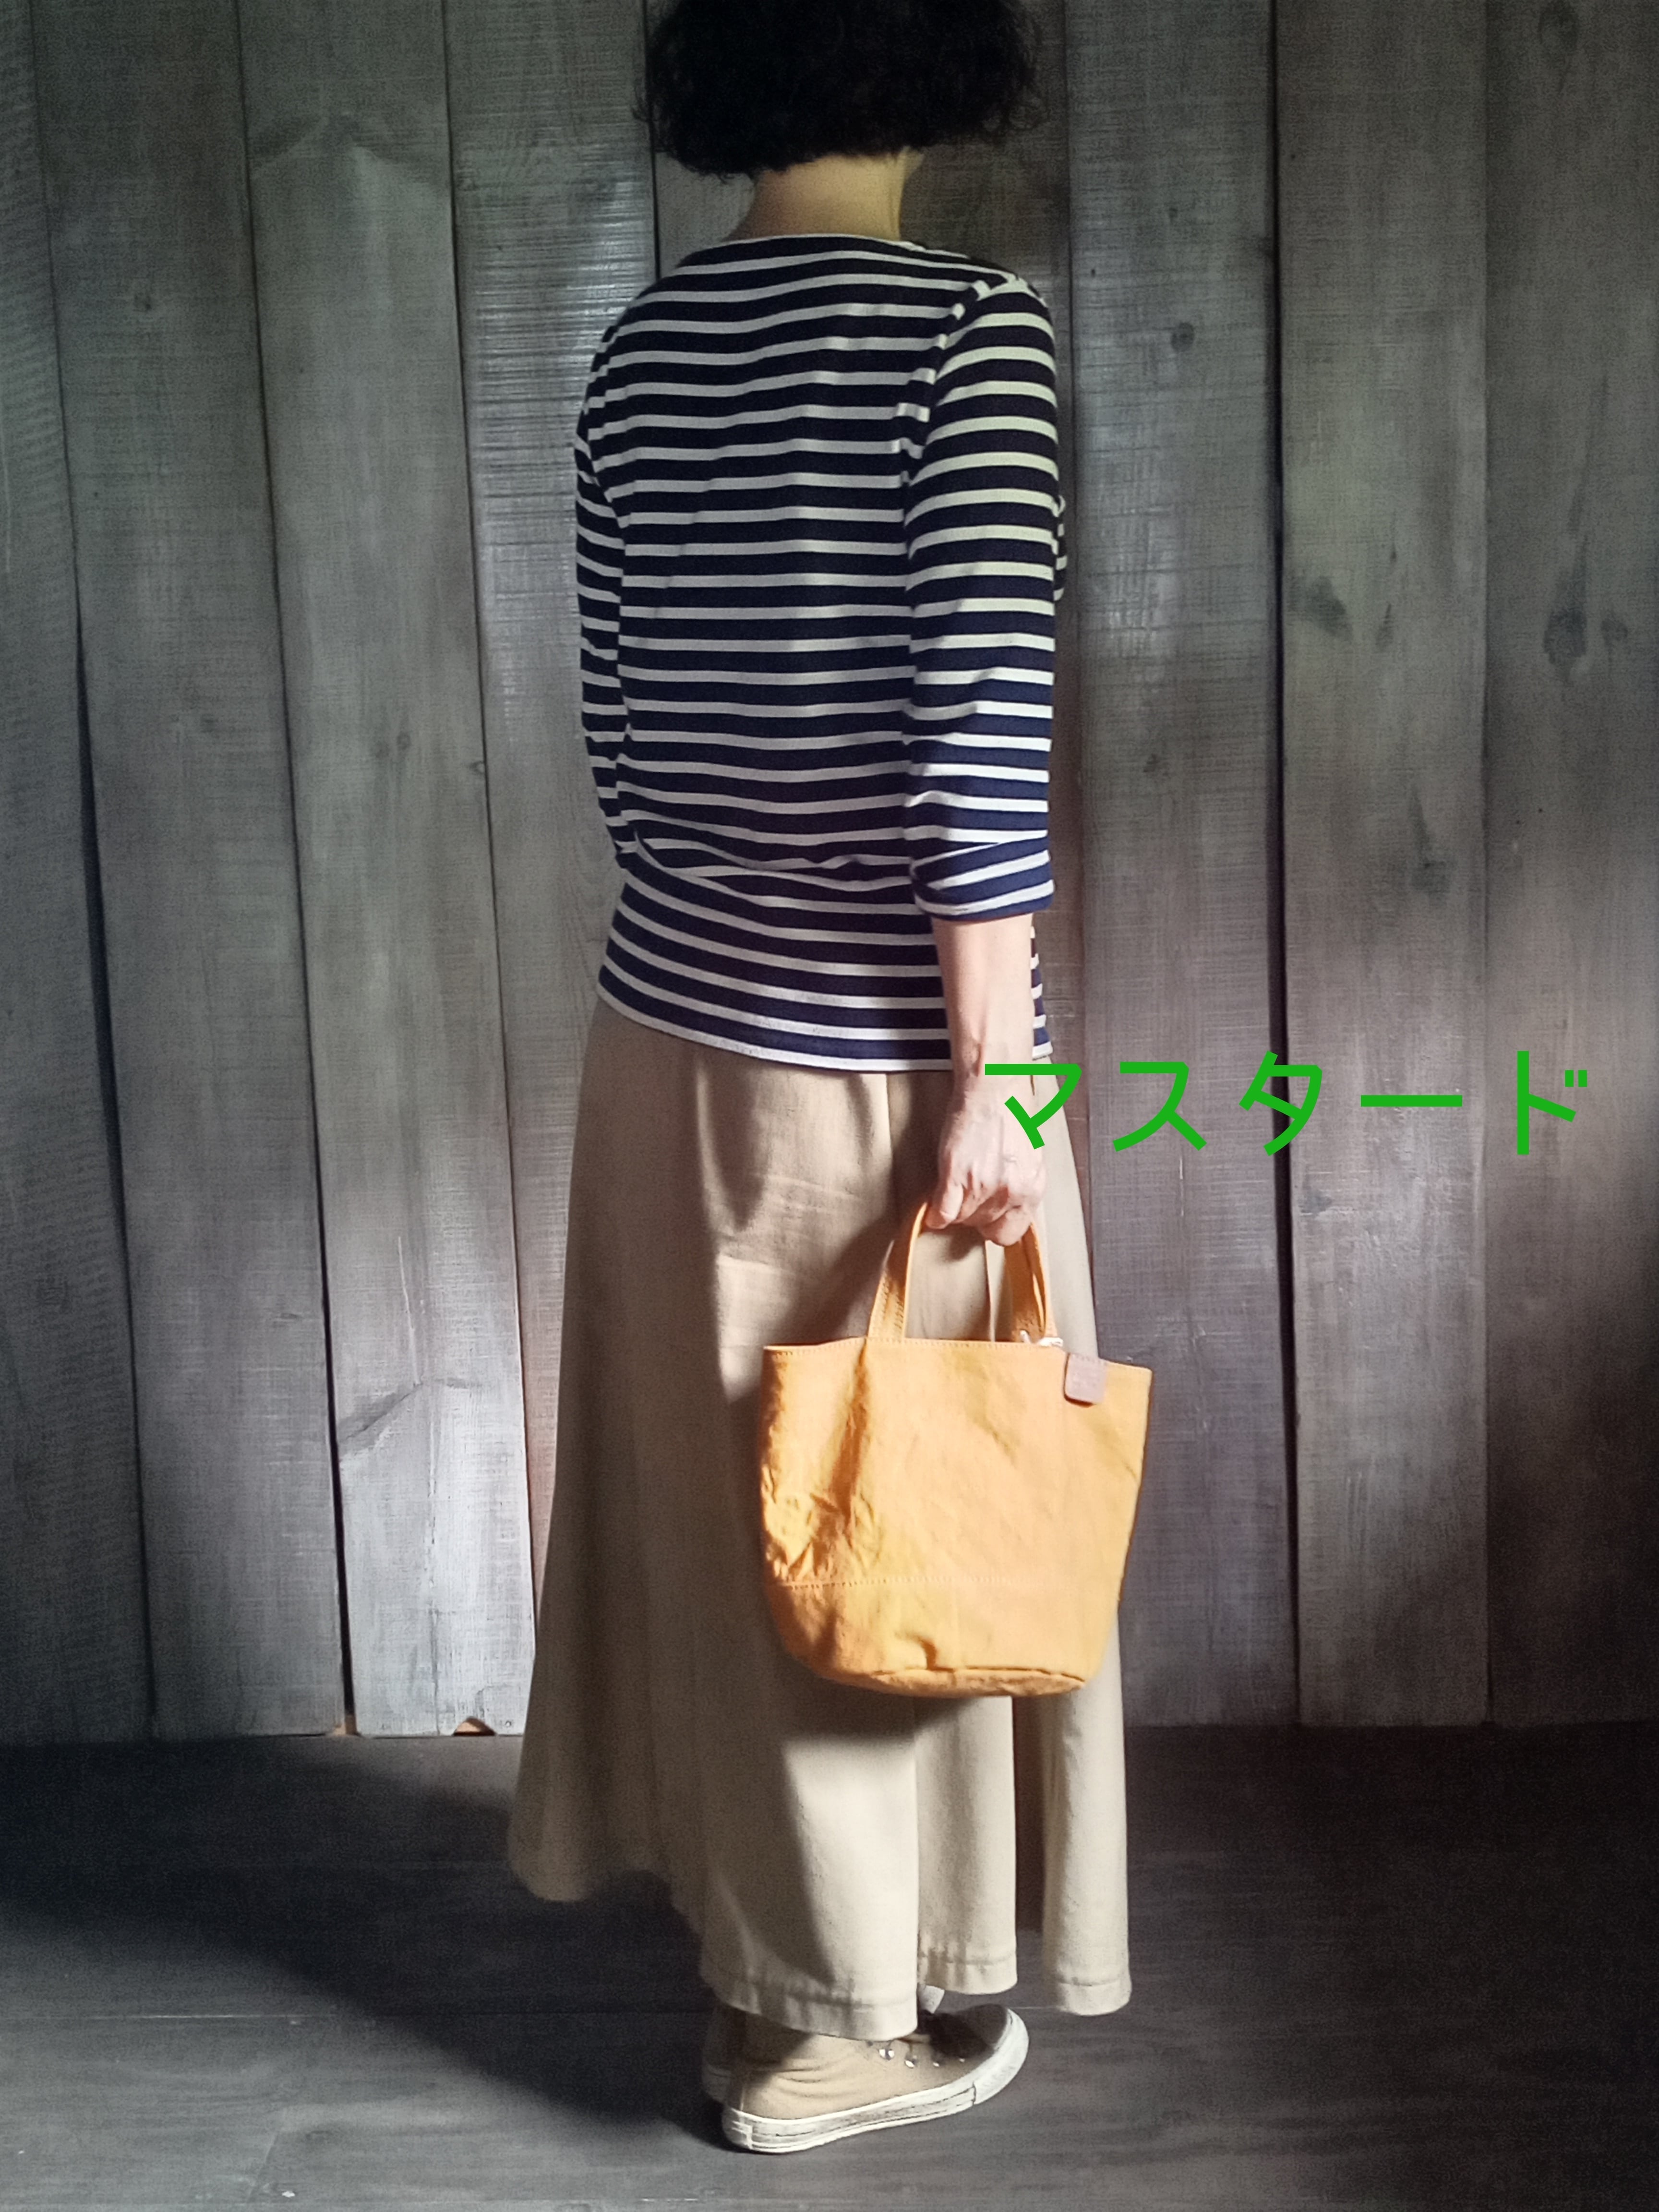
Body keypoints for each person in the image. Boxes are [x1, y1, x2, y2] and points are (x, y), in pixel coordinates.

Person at [506, 0, 1129, 2154]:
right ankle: (821, 2036)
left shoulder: (639, 358)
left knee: (736, 1518)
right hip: (884, 1069)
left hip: (662, 1044)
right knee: (892, 1519)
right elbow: (976, 741)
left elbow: (627, 738)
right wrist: (1004, 1082)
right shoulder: (969, 341)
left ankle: (770, 1967)